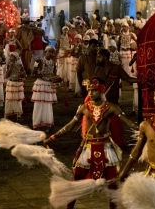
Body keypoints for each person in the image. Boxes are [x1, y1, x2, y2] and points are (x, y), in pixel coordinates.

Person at [45, 78, 138, 209]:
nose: (91, 93)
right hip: (88, 148)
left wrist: (141, 129)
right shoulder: (84, 108)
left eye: (94, 90)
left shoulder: (111, 107)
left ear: (101, 91)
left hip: (106, 149)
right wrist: (53, 137)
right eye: (89, 90)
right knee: (76, 181)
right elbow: (70, 126)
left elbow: (127, 121)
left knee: (112, 184)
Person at [31, 46, 59, 131]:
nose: (51, 54)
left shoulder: (54, 63)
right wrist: (45, 77)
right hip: (41, 84)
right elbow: (33, 74)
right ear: (45, 52)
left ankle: (48, 124)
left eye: (53, 52)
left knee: (48, 105)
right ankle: (36, 123)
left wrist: (56, 79)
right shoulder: (39, 61)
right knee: (38, 104)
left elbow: (53, 74)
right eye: (50, 52)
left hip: (48, 85)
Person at [4, 52, 26, 120]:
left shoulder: (20, 65)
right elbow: (7, 75)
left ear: (15, 58)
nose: (10, 58)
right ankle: (8, 113)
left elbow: (24, 74)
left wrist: (21, 76)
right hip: (11, 82)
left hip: (17, 83)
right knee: (9, 99)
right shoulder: (9, 65)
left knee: (17, 99)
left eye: (12, 57)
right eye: (10, 57)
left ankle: (18, 114)